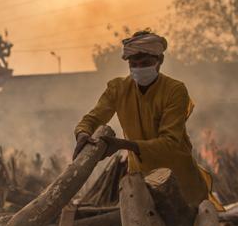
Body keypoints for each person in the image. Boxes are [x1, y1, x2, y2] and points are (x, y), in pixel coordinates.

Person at [73, 30, 218, 208]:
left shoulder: (175, 90)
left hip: (179, 182)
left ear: (160, 61)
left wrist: (123, 145)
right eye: (134, 64)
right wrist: (83, 132)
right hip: (141, 181)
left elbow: (170, 142)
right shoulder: (117, 89)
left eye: (145, 63)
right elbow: (93, 117)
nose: (139, 69)